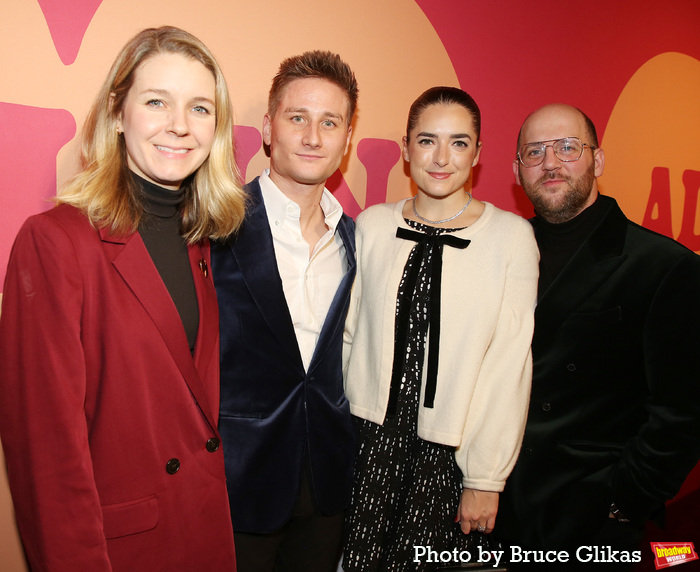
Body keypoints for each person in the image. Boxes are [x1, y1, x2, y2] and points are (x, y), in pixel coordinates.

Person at [0, 26, 246, 571]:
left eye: (200, 108)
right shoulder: (56, 241)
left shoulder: (200, 241)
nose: (180, 126)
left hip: (201, 534)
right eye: (157, 101)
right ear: (117, 112)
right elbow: (46, 454)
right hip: (123, 552)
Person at [342, 86, 539, 571]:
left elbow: (508, 364)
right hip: (366, 447)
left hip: (447, 457)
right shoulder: (370, 225)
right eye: (427, 140)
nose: (441, 158)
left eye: (459, 142)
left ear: (477, 154)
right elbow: (347, 338)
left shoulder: (511, 238)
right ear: (406, 149)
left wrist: (485, 477)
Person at [497, 103, 700, 569]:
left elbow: (682, 412)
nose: (551, 162)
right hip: (500, 508)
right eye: (534, 152)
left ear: (598, 161)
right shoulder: (501, 253)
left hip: (592, 519)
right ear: (517, 170)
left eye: (569, 148)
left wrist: (623, 502)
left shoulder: (663, 266)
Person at [212, 51, 358, 572]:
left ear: (346, 138)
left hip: (326, 482)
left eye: (329, 122)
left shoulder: (357, 240)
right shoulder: (216, 227)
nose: (313, 137)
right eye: (298, 118)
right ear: (269, 129)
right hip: (238, 480)